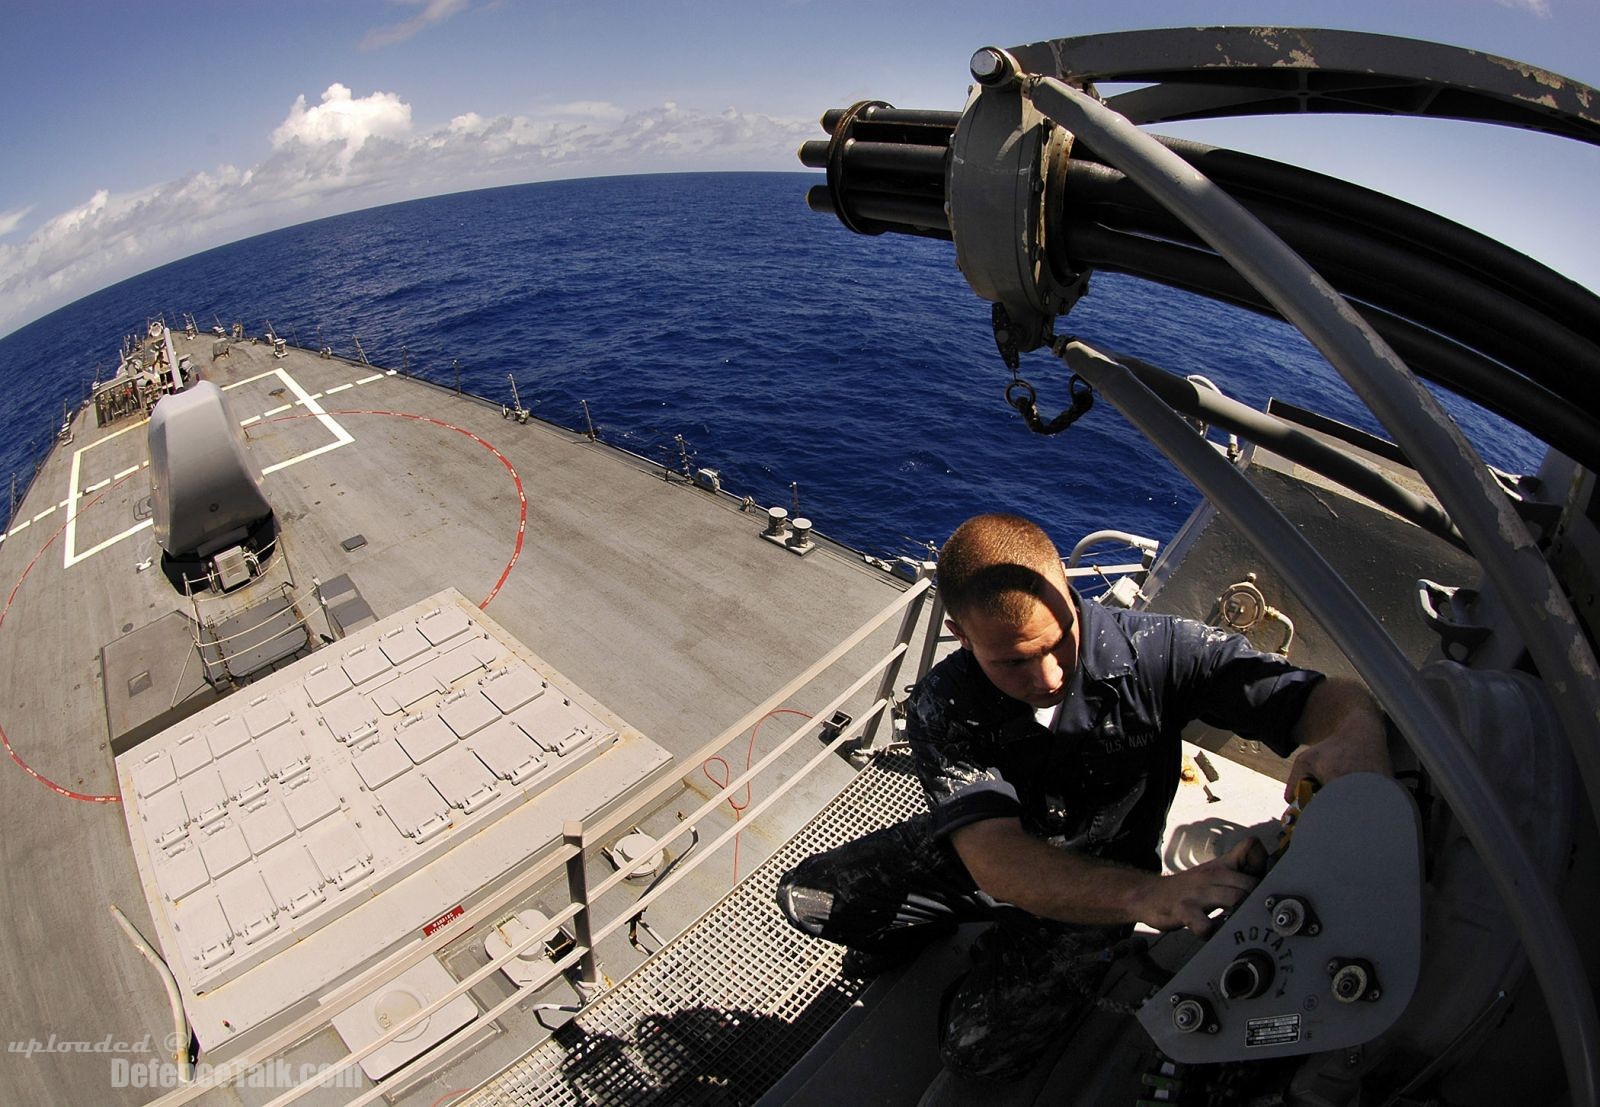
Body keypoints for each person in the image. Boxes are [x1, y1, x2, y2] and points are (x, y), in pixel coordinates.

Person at [776, 512, 1388, 1084]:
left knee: (972, 1053)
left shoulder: (1158, 651)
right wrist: (1152, 897)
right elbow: (996, 859)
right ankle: (942, 933)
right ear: (961, 636)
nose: (1046, 677)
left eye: (1057, 640)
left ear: (1068, 593)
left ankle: (1032, 944)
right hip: (1004, 862)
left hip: (1099, 883)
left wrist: (1352, 733)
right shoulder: (945, 701)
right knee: (810, 897)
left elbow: (1312, 696)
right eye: (1012, 661)